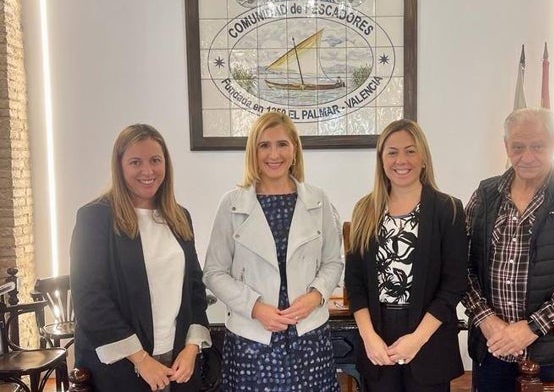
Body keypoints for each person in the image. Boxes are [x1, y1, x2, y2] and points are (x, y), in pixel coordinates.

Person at [463, 107, 554, 392]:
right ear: (506, 146)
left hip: (551, 353)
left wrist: (530, 328)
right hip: (491, 347)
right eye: (518, 146)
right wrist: (486, 320)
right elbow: (460, 266)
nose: (527, 156)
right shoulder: (485, 195)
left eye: (538, 146)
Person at [203, 112, 343, 391]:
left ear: (294, 150)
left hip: (309, 338)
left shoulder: (318, 200)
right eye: (263, 145)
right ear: (253, 152)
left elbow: (333, 262)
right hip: (251, 341)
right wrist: (255, 307)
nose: (273, 154)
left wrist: (315, 296)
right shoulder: (231, 204)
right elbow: (213, 272)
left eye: (282, 144)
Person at [70, 124, 211, 392]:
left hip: (177, 362)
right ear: (119, 166)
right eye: (136, 162)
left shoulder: (180, 217)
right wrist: (142, 360)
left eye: (155, 160)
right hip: (122, 365)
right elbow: (90, 299)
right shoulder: (95, 218)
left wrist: (191, 348)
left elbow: (195, 289)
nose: (148, 171)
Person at [344, 119, 468, 392]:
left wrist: (417, 339)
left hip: (429, 338)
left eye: (411, 151)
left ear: (423, 158)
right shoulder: (365, 210)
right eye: (392, 152)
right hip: (377, 338)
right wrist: (369, 338)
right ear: (381, 159)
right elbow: (354, 284)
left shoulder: (449, 209)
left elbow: (454, 285)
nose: (402, 159)